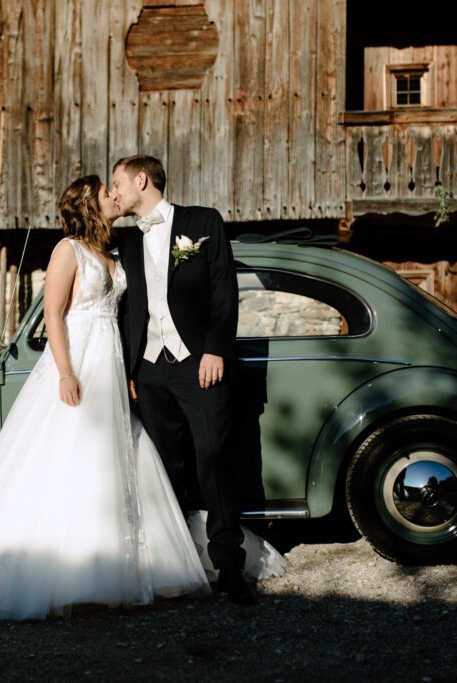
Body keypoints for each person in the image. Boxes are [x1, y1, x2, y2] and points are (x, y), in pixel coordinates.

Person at [0, 175, 212, 621]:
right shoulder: (69, 249)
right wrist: (65, 373)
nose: (114, 196)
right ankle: (69, 577)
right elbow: (53, 316)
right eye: (106, 192)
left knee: (117, 455)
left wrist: (128, 374)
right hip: (79, 357)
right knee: (72, 455)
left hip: (111, 359)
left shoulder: (113, 252)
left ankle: (123, 568)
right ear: (89, 202)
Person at [111, 154, 257, 604]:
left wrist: (215, 348)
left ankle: (229, 567)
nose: (115, 192)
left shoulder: (203, 221)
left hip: (200, 364)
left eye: (118, 183)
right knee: (165, 468)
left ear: (142, 180)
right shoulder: (125, 241)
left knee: (214, 462)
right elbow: (120, 310)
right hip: (150, 371)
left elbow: (223, 290)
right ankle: (177, 567)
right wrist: (130, 370)